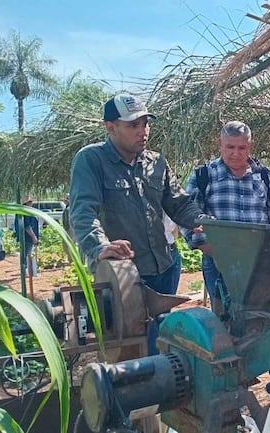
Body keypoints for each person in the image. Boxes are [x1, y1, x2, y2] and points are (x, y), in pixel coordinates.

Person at [69, 93, 212, 356]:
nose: (142, 131)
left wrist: (204, 224)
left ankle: (160, 388)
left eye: (145, 123)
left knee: (158, 336)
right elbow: (82, 212)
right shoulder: (91, 160)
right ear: (110, 127)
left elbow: (179, 203)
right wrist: (100, 246)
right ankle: (137, 390)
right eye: (133, 125)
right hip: (125, 274)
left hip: (165, 266)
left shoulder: (156, 162)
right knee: (129, 346)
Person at [184, 120, 270, 397]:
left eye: (242, 147)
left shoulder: (263, 175)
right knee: (226, 322)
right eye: (230, 147)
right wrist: (216, 251)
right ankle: (233, 384)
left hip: (258, 264)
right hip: (219, 262)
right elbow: (189, 221)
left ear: (250, 146)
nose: (236, 153)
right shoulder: (203, 176)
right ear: (220, 145)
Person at [14, 196, 40, 278]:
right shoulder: (25, 212)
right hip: (27, 237)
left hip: (27, 236)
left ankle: (27, 270)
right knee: (26, 254)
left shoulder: (25, 211)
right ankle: (24, 270)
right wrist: (33, 236)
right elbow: (27, 226)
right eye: (31, 201)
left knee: (27, 254)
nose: (32, 203)